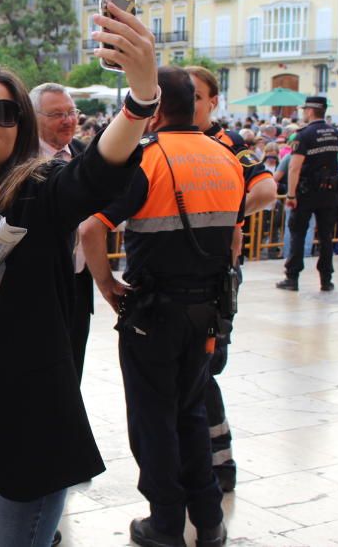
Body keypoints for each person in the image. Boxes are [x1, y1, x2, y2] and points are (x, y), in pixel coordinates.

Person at [0, 1, 157, 547]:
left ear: (20, 130)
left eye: (4, 112)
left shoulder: (37, 194)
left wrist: (140, 100)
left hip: (23, 437)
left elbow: (92, 176)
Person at [81, 66, 243, 547]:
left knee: (153, 420)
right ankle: (209, 522)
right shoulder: (226, 156)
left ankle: (166, 524)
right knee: (191, 412)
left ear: (154, 110)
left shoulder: (147, 158)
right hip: (206, 310)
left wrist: (106, 283)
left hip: (153, 313)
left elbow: (92, 228)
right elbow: (233, 236)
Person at [186, 66, 277, 493]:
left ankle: (219, 462)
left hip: (215, 276)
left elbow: (266, 189)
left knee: (204, 369)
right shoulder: (165, 138)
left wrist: (226, 215)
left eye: (197, 96)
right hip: (172, 277)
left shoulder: (228, 144)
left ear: (212, 102)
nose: (189, 103)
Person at [32, 82, 96, 385]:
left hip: (78, 281)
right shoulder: (21, 160)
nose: (69, 120)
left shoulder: (86, 155)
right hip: (38, 284)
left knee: (73, 369)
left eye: (72, 112)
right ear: (34, 117)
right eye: (57, 114)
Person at [277, 97, 338, 292]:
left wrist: (290, 195)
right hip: (329, 191)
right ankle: (326, 279)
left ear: (311, 111)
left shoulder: (304, 135)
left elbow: (294, 168)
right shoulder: (336, 133)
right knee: (326, 236)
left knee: (298, 233)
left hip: (306, 192)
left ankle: (292, 277)